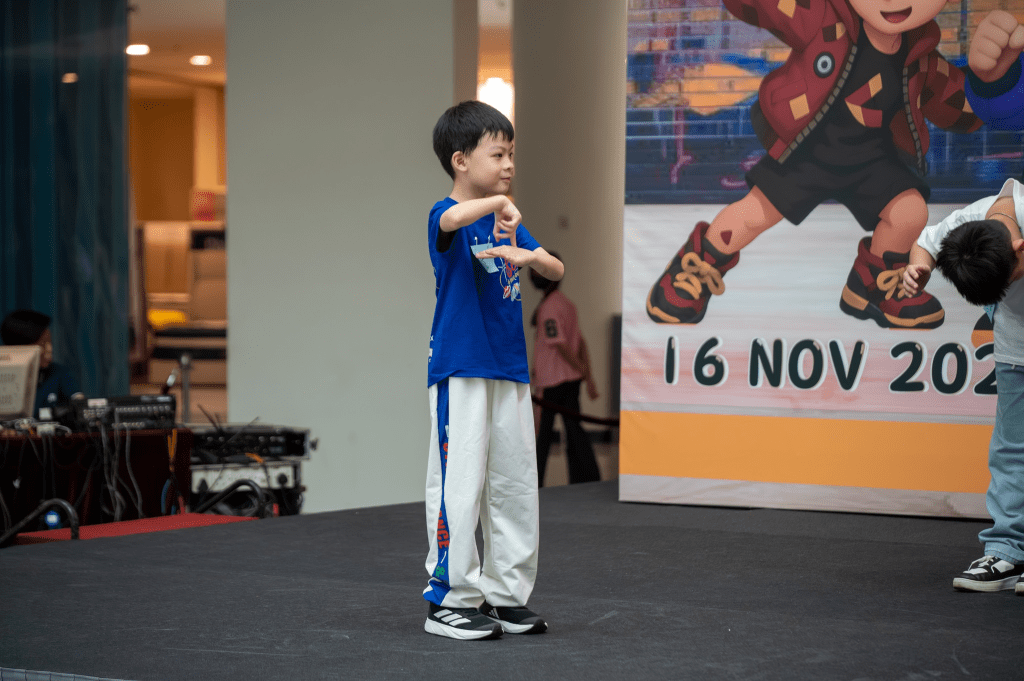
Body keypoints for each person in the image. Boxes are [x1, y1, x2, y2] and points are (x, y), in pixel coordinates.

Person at [645, 0, 980, 330]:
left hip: (873, 160)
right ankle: (696, 266)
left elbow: (961, 108)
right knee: (750, 216)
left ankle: (873, 283)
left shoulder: (921, 56)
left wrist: (992, 80)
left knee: (910, 212)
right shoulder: (822, 16)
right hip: (809, 151)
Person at [423, 100, 564, 640]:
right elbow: (452, 219)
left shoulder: (507, 224)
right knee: (458, 484)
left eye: (511, 154)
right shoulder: (447, 214)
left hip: (509, 367)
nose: (509, 164)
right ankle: (449, 600)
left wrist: (530, 256)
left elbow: (556, 267)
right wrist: (502, 203)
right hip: (461, 366)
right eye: (498, 154)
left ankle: (504, 595)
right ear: (460, 160)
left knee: (514, 483)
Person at [903, 177, 1024, 594]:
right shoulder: (971, 223)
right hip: (1015, 349)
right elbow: (927, 241)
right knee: (1011, 449)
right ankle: (1008, 552)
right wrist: (919, 268)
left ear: (1019, 248)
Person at [529, 260, 601, 486]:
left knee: (543, 434)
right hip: (570, 379)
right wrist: (586, 375)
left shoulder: (550, 308)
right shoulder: (566, 304)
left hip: (553, 381)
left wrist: (584, 372)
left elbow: (561, 345)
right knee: (574, 430)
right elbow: (580, 342)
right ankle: (586, 478)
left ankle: (536, 482)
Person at [0, 309, 81, 418]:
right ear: (20, 347)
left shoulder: (58, 373)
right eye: (42, 345)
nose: (50, 349)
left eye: (50, 342)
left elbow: (79, 402)